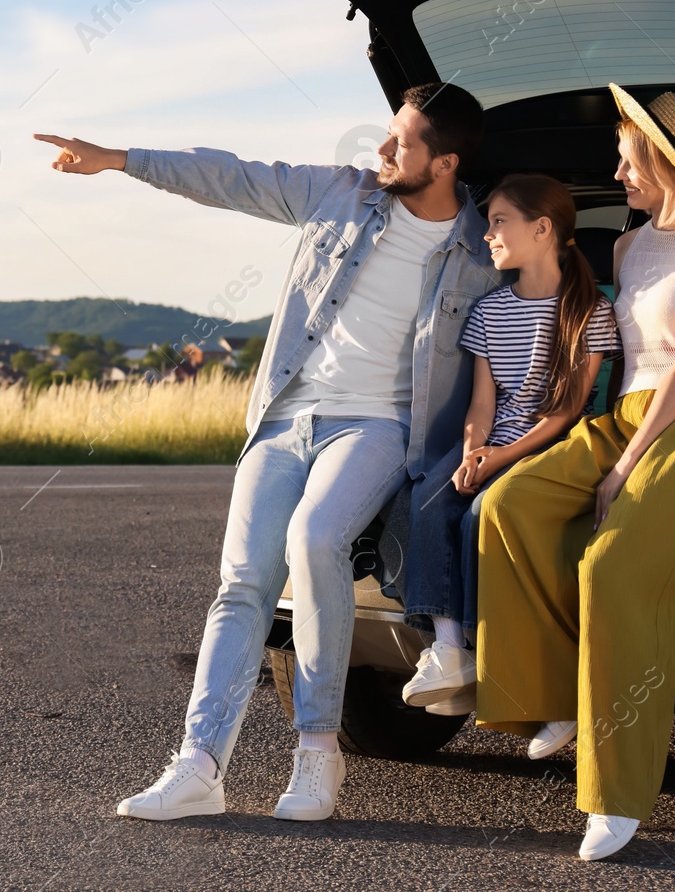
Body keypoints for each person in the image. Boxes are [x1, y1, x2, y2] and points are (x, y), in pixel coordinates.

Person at [33, 81, 502, 822]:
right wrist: (118, 159)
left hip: (377, 427)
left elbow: (547, 304)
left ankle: (318, 753)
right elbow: (231, 174)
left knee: (315, 538)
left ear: (443, 164)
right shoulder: (341, 193)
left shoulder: (483, 249)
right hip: (287, 416)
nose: (380, 149)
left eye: (401, 142)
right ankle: (198, 766)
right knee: (244, 578)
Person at [473, 84, 675, 861]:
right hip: (629, 412)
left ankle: (615, 796)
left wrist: (624, 467)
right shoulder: (629, 247)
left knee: (613, 568)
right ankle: (555, 698)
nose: (618, 174)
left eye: (627, 159)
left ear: (662, 163)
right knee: (510, 505)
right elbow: (606, 349)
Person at [398, 173, 621, 715]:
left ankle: (483, 647)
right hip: (494, 441)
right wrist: (476, 449)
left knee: (479, 517)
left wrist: (500, 456)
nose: (488, 234)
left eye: (500, 222)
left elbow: (568, 410)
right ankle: (448, 648)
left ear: (542, 229)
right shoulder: (490, 311)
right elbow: (482, 404)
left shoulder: (587, 311)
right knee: (429, 498)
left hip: (549, 448)